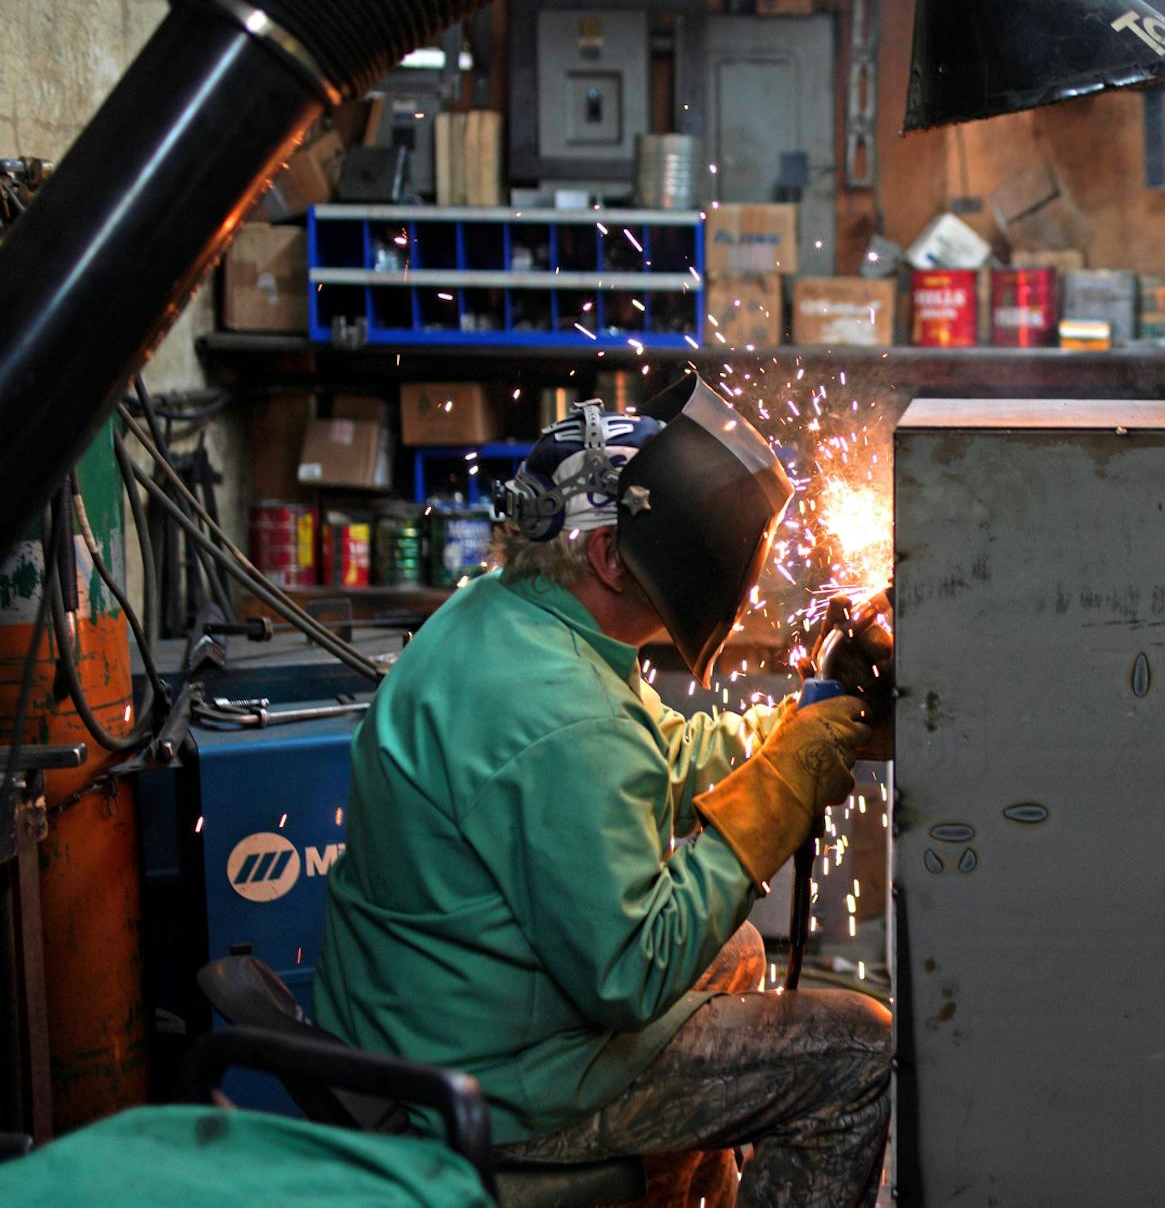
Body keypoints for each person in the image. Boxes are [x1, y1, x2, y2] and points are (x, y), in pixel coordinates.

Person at [315, 373, 894, 1208]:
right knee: (855, 1054)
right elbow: (633, 973)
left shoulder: (511, 618)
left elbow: (655, 752)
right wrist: (781, 788)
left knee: (738, 954)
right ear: (609, 555)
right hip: (490, 1087)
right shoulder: (563, 712)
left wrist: (788, 731)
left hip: (420, 1017)